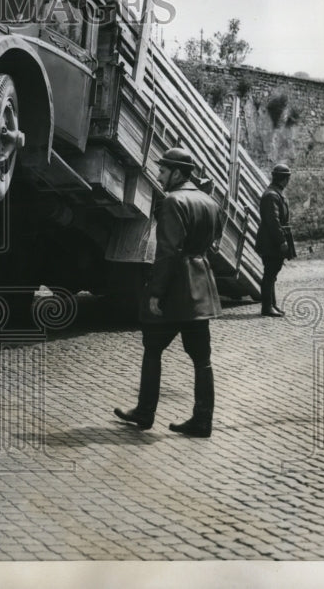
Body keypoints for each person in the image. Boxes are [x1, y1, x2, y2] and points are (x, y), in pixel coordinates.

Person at [114, 147, 223, 438]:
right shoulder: (209, 201)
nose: (159, 175)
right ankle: (202, 420)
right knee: (202, 357)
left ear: (176, 173)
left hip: (176, 287)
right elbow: (215, 244)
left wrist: (156, 293)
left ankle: (145, 412)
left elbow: (168, 252)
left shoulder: (173, 201)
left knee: (152, 348)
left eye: (163, 170)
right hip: (202, 285)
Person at [255, 163, 295, 317]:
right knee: (270, 274)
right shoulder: (272, 195)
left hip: (270, 241)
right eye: (288, 178)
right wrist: (281, 241)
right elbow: (273, 221)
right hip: (271, 242)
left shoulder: (274, 193)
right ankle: (267, 307)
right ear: (284, 179)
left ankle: (272, 305)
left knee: (271, 274)